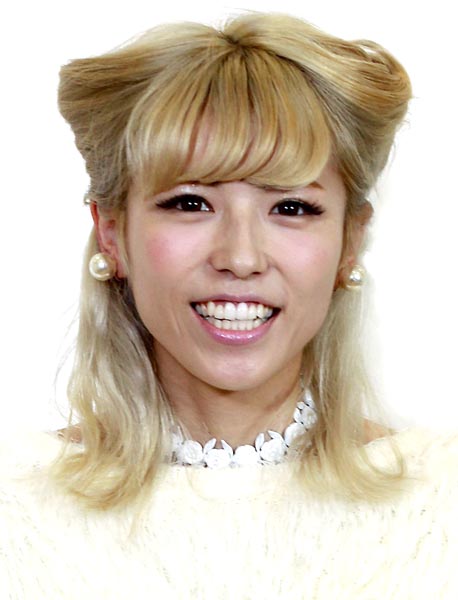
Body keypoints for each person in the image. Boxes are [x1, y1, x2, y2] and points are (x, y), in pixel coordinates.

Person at [1, 11, 457, 599]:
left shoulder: (440, 508)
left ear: (350, 240)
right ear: (112, 233)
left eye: (291, 208)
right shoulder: (17, 514)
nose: (241, 258)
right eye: (190, 203)